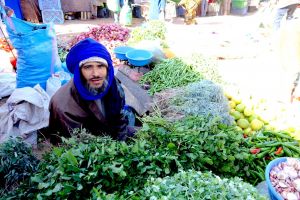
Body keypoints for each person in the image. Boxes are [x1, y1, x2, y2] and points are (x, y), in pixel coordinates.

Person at [48, 38, 136, 143]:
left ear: (108, 68)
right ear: (79, 71)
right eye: (88, 67)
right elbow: (76, 145)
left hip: (108, 132)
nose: (96, 74)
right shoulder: (63, 106)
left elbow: (119, 117)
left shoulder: (111, 84)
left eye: (100, 66)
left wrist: (121, 143)